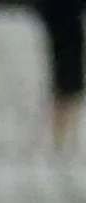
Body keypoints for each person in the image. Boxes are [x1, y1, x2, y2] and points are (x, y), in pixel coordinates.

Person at [36, 0, 84, 152]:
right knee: (67, 90)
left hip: (65, 41)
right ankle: (63, 139)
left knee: (66, 90)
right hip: (66, 41)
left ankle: (63, 139)